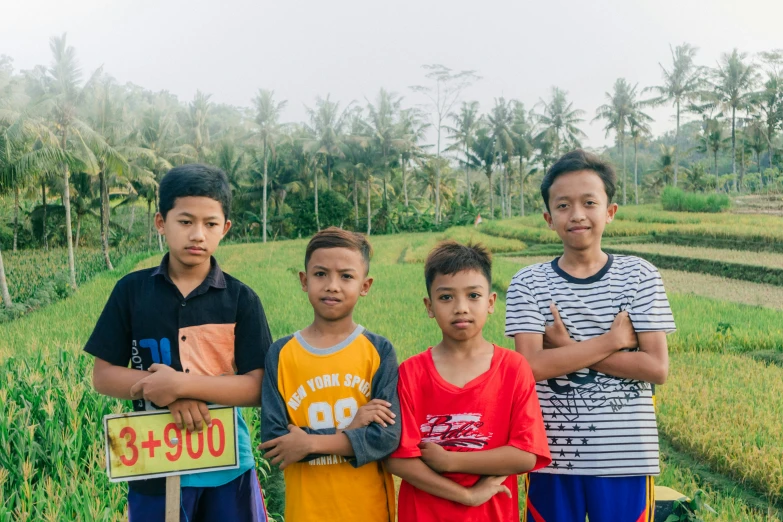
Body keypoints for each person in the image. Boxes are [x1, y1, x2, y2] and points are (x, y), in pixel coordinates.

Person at [84, 164, 271, 522]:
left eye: (210, 224)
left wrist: (183, 385)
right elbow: (103, 376)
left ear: (225, 229)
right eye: (185, 222)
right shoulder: (131, 291)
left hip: (227, 464)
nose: (197, 234)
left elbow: (258, 386)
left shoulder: (241, 299)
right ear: (161, 223)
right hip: (152, 462)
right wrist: (167, 393)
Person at [505, 149, 676, 522]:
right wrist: (611, 341)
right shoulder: (529, 283)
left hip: (626, 458)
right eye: (563, 205)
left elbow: (656, 367)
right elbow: (530, 367)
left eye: (589, 202)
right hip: (551, 458)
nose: (577, 214)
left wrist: (566, 349)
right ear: (549, 219)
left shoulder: (639, 276)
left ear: (609, 212)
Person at [387, 241, 551, 522]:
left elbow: (525, 455)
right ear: (429, 306)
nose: (461, 308)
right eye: (446, 297)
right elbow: (397, 458)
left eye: (473, 295)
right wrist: (467, 495)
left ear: (490, 303)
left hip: (492, 514)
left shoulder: (513, 369)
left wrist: (451, 461)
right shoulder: (410, 373)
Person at [259, 227, 400, 522]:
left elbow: (385, 437)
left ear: (365, 285)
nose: (332, 285)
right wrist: (352, 429)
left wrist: (309, 443)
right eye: (321, 274)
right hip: (307, 511)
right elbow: (276, 443)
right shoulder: (281, 354)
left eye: (346, 276)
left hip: (368, 510)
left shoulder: (378, 351)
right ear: (304, 280)